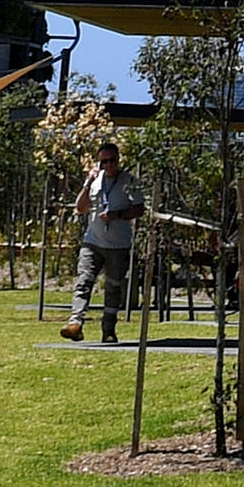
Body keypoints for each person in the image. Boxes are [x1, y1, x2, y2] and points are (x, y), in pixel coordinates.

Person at [68, 137, 140, 341]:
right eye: (104, 162)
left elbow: (140, 209)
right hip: (93, 241)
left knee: (113, 287)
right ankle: (75, 323)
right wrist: (88, 182)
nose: (108, 165)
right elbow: (80, 208)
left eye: (112, 160)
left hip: (118, 244)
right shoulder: (95, 181)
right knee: (84, 281)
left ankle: (108, 330)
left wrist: (117, 215)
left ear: (118, 161)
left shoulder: (129, 180)